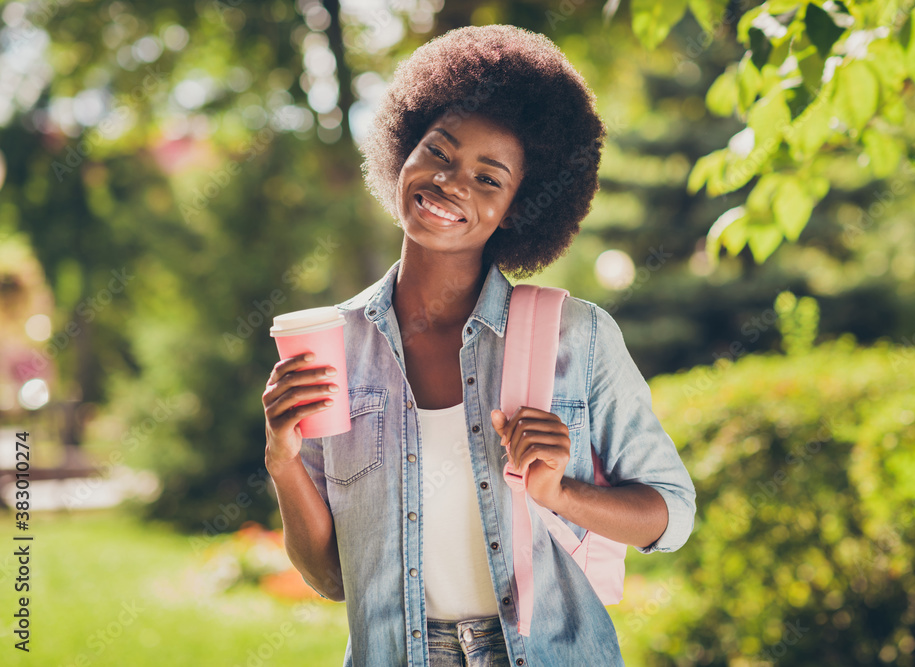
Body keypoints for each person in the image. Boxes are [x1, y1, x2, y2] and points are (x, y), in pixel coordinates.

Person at [261, 24, 696, 667]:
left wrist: (561, 494)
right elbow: (330, 579)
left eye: (488, 179)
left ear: (518, 209)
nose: (450, 183)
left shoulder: (576, 338)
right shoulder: (333, 350)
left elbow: (672, 516)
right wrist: (283, 460)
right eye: (438, 152)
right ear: (403, 152)